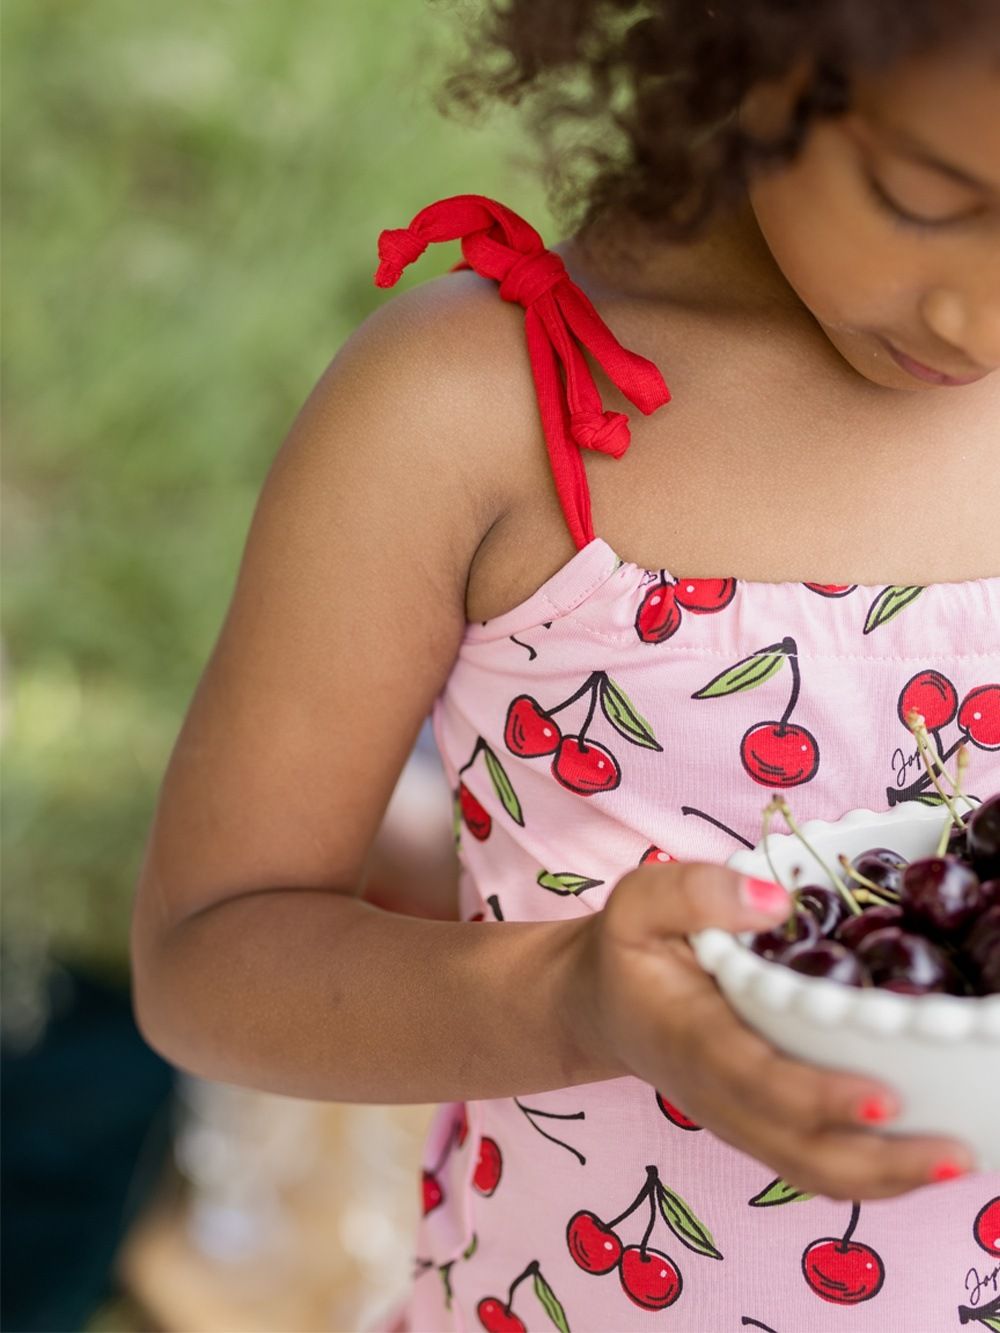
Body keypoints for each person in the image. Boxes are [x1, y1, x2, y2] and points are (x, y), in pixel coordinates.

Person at [129, 2, 1000, 1328]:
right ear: (757, 39)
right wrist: (571, 1002)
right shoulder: (481, 407)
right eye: (926, 198)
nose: (979, 317)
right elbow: (208, 954)